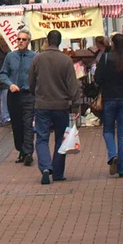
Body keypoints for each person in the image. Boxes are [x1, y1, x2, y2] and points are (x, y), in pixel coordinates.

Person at [29, 30, 80, 185]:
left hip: (42, 104)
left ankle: (45, 166)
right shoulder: (66, 60)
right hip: (61, 105)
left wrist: (35, 94)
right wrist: (76, 106)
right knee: (60, 138)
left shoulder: (38, 59)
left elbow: (31, 80)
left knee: (42, 138)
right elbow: (73, 85)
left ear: (47, 40)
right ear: (59, 42)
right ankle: (57, 172)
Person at [93, 33, 123, 178]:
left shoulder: (106, 58)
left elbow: (97, 78)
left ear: (112, 44)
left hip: (109, 99)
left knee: (108, 130)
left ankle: (113, 155)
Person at [0, 38, 37, 164]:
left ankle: (28, 152)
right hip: (14, 95)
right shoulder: (10, 56)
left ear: (28, 41)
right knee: (17, 125)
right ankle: (21, 150)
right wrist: (10, 84)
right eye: (19, 39)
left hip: (28, 95)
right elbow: (3, 73)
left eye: (24, 39)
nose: (20, 41)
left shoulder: (34, 57)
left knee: (27, 123)